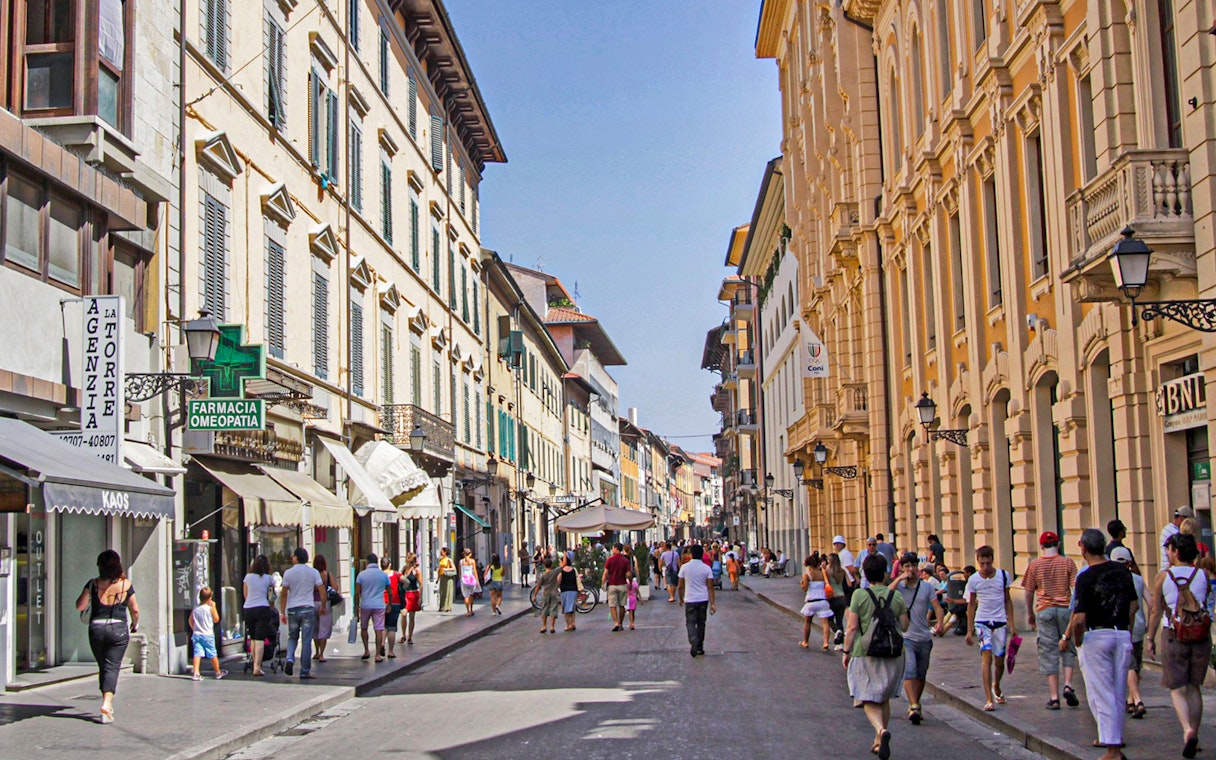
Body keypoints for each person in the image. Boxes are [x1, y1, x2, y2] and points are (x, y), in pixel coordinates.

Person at [1069, 528, 1138, 759]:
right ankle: (1115, 743)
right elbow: (1133, 606)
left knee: (1102, 693)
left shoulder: (1085, 577)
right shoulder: (1121, 571)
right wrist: (1125, 629)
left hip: (1097, 635)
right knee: (1118, 693)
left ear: (1083, 548)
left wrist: (1078, 642)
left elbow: (1078, 618)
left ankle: (1112, 749)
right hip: (1121, 634)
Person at [1147, 533, 1210, 758]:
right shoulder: (1202, 574)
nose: (1167, 553)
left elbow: (1156, 611)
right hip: (1200, 636)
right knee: (1194, 687)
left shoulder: (1163, 577)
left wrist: (1150, 638)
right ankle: (1196, 732)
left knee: (1177, 687)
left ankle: (1187, 729)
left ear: (1176, 551)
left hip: (1174, 634)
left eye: (1169, 549)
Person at [843, 553, 909, 760]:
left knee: (867, 696)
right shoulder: (895, 596)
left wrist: (846, 651)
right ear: (885, 573)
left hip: (865, 653)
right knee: (884, 697)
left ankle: (880, 730)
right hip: (893, 653)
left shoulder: (859, 596)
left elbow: (852, 627)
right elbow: (905, 625)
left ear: (866, 574)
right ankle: (879, 742)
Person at [75, 549, 138, 724]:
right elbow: (135, 609)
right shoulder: (126, 585)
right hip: (118, 629)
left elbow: (80, 606)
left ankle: (106, 703)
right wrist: (135, 623)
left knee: (104, 665)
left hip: (96, 629)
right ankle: (107, 703)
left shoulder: (93, 584)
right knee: (112, 666)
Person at [1021, 531, 1079, 710]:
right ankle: (1068, 684)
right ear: (1059, 544)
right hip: (1064, 609)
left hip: (1044, 610)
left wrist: (1030, 613)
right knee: (1067, 646)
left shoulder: (1035, 565)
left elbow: (1029, 591)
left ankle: (1054, 697)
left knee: (1048, 651)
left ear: (1041, 546)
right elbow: (1076, 588)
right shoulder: (1068, 562)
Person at [891, 555, 945, 725]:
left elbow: (937, 606)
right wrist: (899, 578)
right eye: (906, 566)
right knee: (910, 671)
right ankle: (913, 705)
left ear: (918, 568)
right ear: (902, 568)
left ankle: (917, 703)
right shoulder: (899, 586)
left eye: (913, 565)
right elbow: (886, 595)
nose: (910, 569)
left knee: (921, 674)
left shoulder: (926, 587)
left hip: (924, 636)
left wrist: (941, 623)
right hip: (906, 637)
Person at [965, 545, 1015, 712]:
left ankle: (997, 686)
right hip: (982, 621)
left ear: (992, 560)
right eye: (982, 564)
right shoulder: (973, 580)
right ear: (978, 562)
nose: (985, 567)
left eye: (987, 563)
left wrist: (1012, 624)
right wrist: (969, 629)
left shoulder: (1002, 575)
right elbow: (971, 604)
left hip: (1000, 620)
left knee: (999, 660)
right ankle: (988, 698)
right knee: (986, 659)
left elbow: (1008, 599)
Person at [1110, 547, 1148, 719]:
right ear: (1129, 561)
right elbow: (1151, 602)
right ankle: (1131, 700)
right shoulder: (1138, 579)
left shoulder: (1112, 580)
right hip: (1139, 626)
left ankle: (1137, 700)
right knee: (1135, 664)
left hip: (1124, 627)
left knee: (1128, 664)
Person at [279, 547, 325, 679]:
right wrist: (322, 606)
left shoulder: (288, 573)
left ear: (296, 558)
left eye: (293, 556)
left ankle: (290, 658)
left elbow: (283, 594)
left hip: (293, 608)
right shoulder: (313, 572)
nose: (292, 558)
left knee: (292, 637)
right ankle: (305, 670)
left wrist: (282, 611)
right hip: (307, 608)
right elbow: (322, 591)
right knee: (306, 640)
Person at [678, 544, 716, 657]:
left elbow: (680, 586)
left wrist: (680, 598)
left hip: (689, 599)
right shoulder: (706, 568)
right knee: (701, 623)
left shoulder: (684, 567)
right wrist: (713, 603)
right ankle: (699, 646)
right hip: (703, 599)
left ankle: (693, 639)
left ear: (691, 555)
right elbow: (710, 587)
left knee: (690, 622)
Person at [241, 554, 275, 677]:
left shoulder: (247, 577)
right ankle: (257, 666)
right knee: (260, 638)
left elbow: (245, 594)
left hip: (249, 608)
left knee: (253, 637)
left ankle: (255, 664)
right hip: (262, 608)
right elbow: (272, 595)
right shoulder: (269, 578)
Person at [354, 553, 389, 662]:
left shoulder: (361, 575)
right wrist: (390, 603)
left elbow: (357, 592)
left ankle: (366, 650)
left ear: (368, 562)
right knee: (378, 629)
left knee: (364, 628)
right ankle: (377, 655)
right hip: (379, 605)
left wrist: (356, 606)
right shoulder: (383, 575)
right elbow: (390, 591)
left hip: (365, 605)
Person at [189, 587, 226, 681]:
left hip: (197, 634)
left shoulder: (196, 608)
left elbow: (190, 620)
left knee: (197, 653)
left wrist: (194, 628)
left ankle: (196, 673)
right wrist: (214, 607)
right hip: (208, 634)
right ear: (210, 598)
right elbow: (216, 619)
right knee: (212, 654)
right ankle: (217, 672)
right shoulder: (210, 608)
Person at [800, 553, 835, 650]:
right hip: (823, 601)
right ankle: (825, 642)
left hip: (811, 601)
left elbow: (805, 588)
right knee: (825, 623)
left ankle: (806, 642)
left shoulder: (807, 575)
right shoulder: (822, 574)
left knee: (808, 622)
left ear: (810, 565)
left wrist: (801, 584)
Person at [312, 554, 336, 662]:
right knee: (324, 629)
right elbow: (335, 587)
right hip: (324, 603)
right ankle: (322, 654)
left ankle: (316, 651)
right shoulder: (328, 574)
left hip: (313, 602)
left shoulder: (312, 574)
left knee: (315, 628)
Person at [603, 543, 632, 631]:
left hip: (612, 584)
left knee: (612, 605)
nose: (612, 550)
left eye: (613, 548)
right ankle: (620, 623)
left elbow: (605, 573)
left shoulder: (610, 560)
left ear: (615, 548)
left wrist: (603, 582)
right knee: (622, 605)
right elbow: (629, 574)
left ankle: (615, 622)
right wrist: (630, 583)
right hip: (622, 584)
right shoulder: (625, 560)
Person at [826, 553, 850, 649]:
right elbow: (849, 584)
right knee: (839, 620)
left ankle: (837, 632)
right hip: (842, 597)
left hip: (832, 598)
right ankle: (840, 644)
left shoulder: (827, 571)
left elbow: (825, 583)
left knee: (829, 620)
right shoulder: (843, 571)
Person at [1161, 506, 1195, 573]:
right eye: (1188, 520)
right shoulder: (1176, 534)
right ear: (1182, 518)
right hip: (1172, 570)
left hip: (1167, 569)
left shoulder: (1166, 529)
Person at [399, 553, 422, 645]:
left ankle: (410, 636)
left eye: (408, 558)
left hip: (413, 593)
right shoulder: (404, 569)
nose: (406, 559)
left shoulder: (416, 570)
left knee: (411, 616)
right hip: (405, 594)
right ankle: (403, 635)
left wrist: (420, 597)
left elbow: (421, 584)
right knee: (403, 614)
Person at [380, 556, 401, 659]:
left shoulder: (379, 575)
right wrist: (401, 590)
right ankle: (391, 651)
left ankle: (382, 643)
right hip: (394, 602)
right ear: (390, 565)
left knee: (383, 626)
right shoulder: (396, 574)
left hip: (381, 602)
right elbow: (407, 582)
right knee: (392, 627)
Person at [538, 557, 561, 633]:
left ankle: (544, 626)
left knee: (544, 609)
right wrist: (564, 554)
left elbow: (538, 586)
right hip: (554, 593)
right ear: (551, 565)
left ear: (544, 565)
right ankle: (552, 626)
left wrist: (534, 595)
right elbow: (563, 565)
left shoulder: (543, 575)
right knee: (553, 609)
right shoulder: (554, 572)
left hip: (546, 593)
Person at [559, 553, 580, 632]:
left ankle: (569, 625)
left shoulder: (561, 571)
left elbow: (559, 581)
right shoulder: (573, 570)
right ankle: (573, 623)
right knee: (572, 608)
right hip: (573, 590)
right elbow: (577, 579)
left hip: (565, 590)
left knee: (566, 609)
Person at [459, 548, 480, 616]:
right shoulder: (472, 561)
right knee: (471, 595)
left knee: (466, 596)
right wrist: (477, 580)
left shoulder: (461, 561)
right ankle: (471, 610)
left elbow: (460, 572)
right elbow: (475, 571)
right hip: (471, 579)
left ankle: (468, 611)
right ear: (470, 554)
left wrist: (460, 579)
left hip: (464, 579)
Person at [437, 547, 456, 613]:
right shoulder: (440, 559)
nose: (441, 552)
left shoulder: (449, 560)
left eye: (442, 551)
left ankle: (448, 607)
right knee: (442, 592)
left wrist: (446, 569)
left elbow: (453, 568)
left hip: (448, 577)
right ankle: (442, 607)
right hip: (442, 577)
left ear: (445, 552)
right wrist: (438, 578)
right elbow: (439, 570)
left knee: (448, 592)